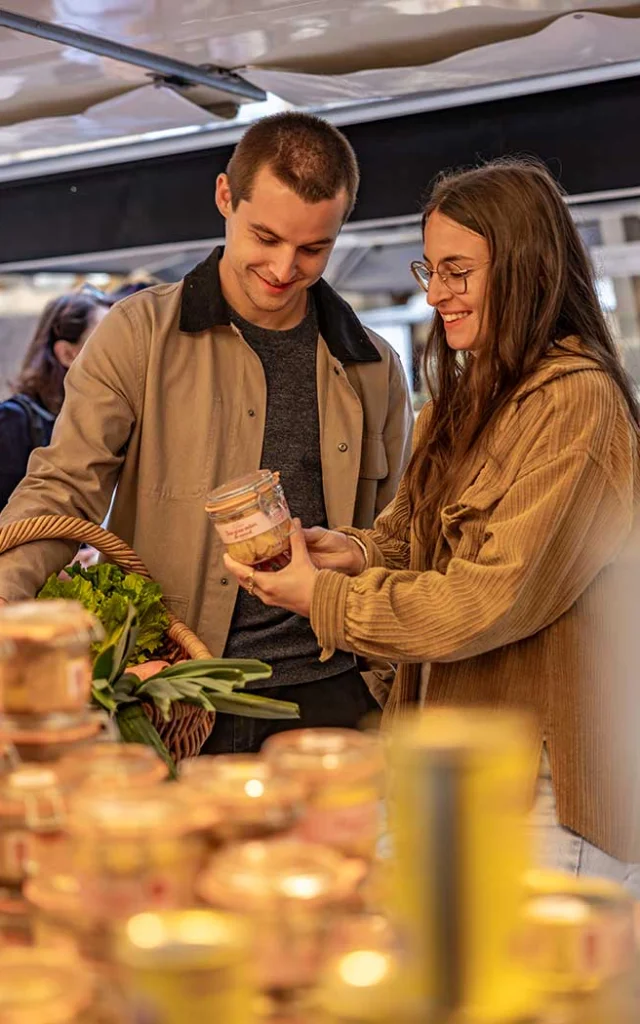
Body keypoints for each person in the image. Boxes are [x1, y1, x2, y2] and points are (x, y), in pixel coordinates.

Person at [223, 157, 640, 892]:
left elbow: (487, 601)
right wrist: (345, 552)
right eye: (431, 270)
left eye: (459, 271)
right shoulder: (463, 396)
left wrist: (320, 600)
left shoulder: (576, 404)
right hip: (457, 770)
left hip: (546, 793)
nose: (437, 293)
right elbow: (408, 536)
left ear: (527, 270)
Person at [0, 112, 413, 753]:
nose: (283, 268)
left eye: (312, 248)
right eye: (266, 237)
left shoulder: (375, 366)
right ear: (225, 196)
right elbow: (62, 488)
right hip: (177, 695)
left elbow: (397, 536)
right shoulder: (138, 334)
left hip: (339, 696)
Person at [0, 291, 109, 512]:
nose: (118, 355)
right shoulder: (14, 421)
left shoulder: (104, 423)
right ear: (67, 354)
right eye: (105, 345)